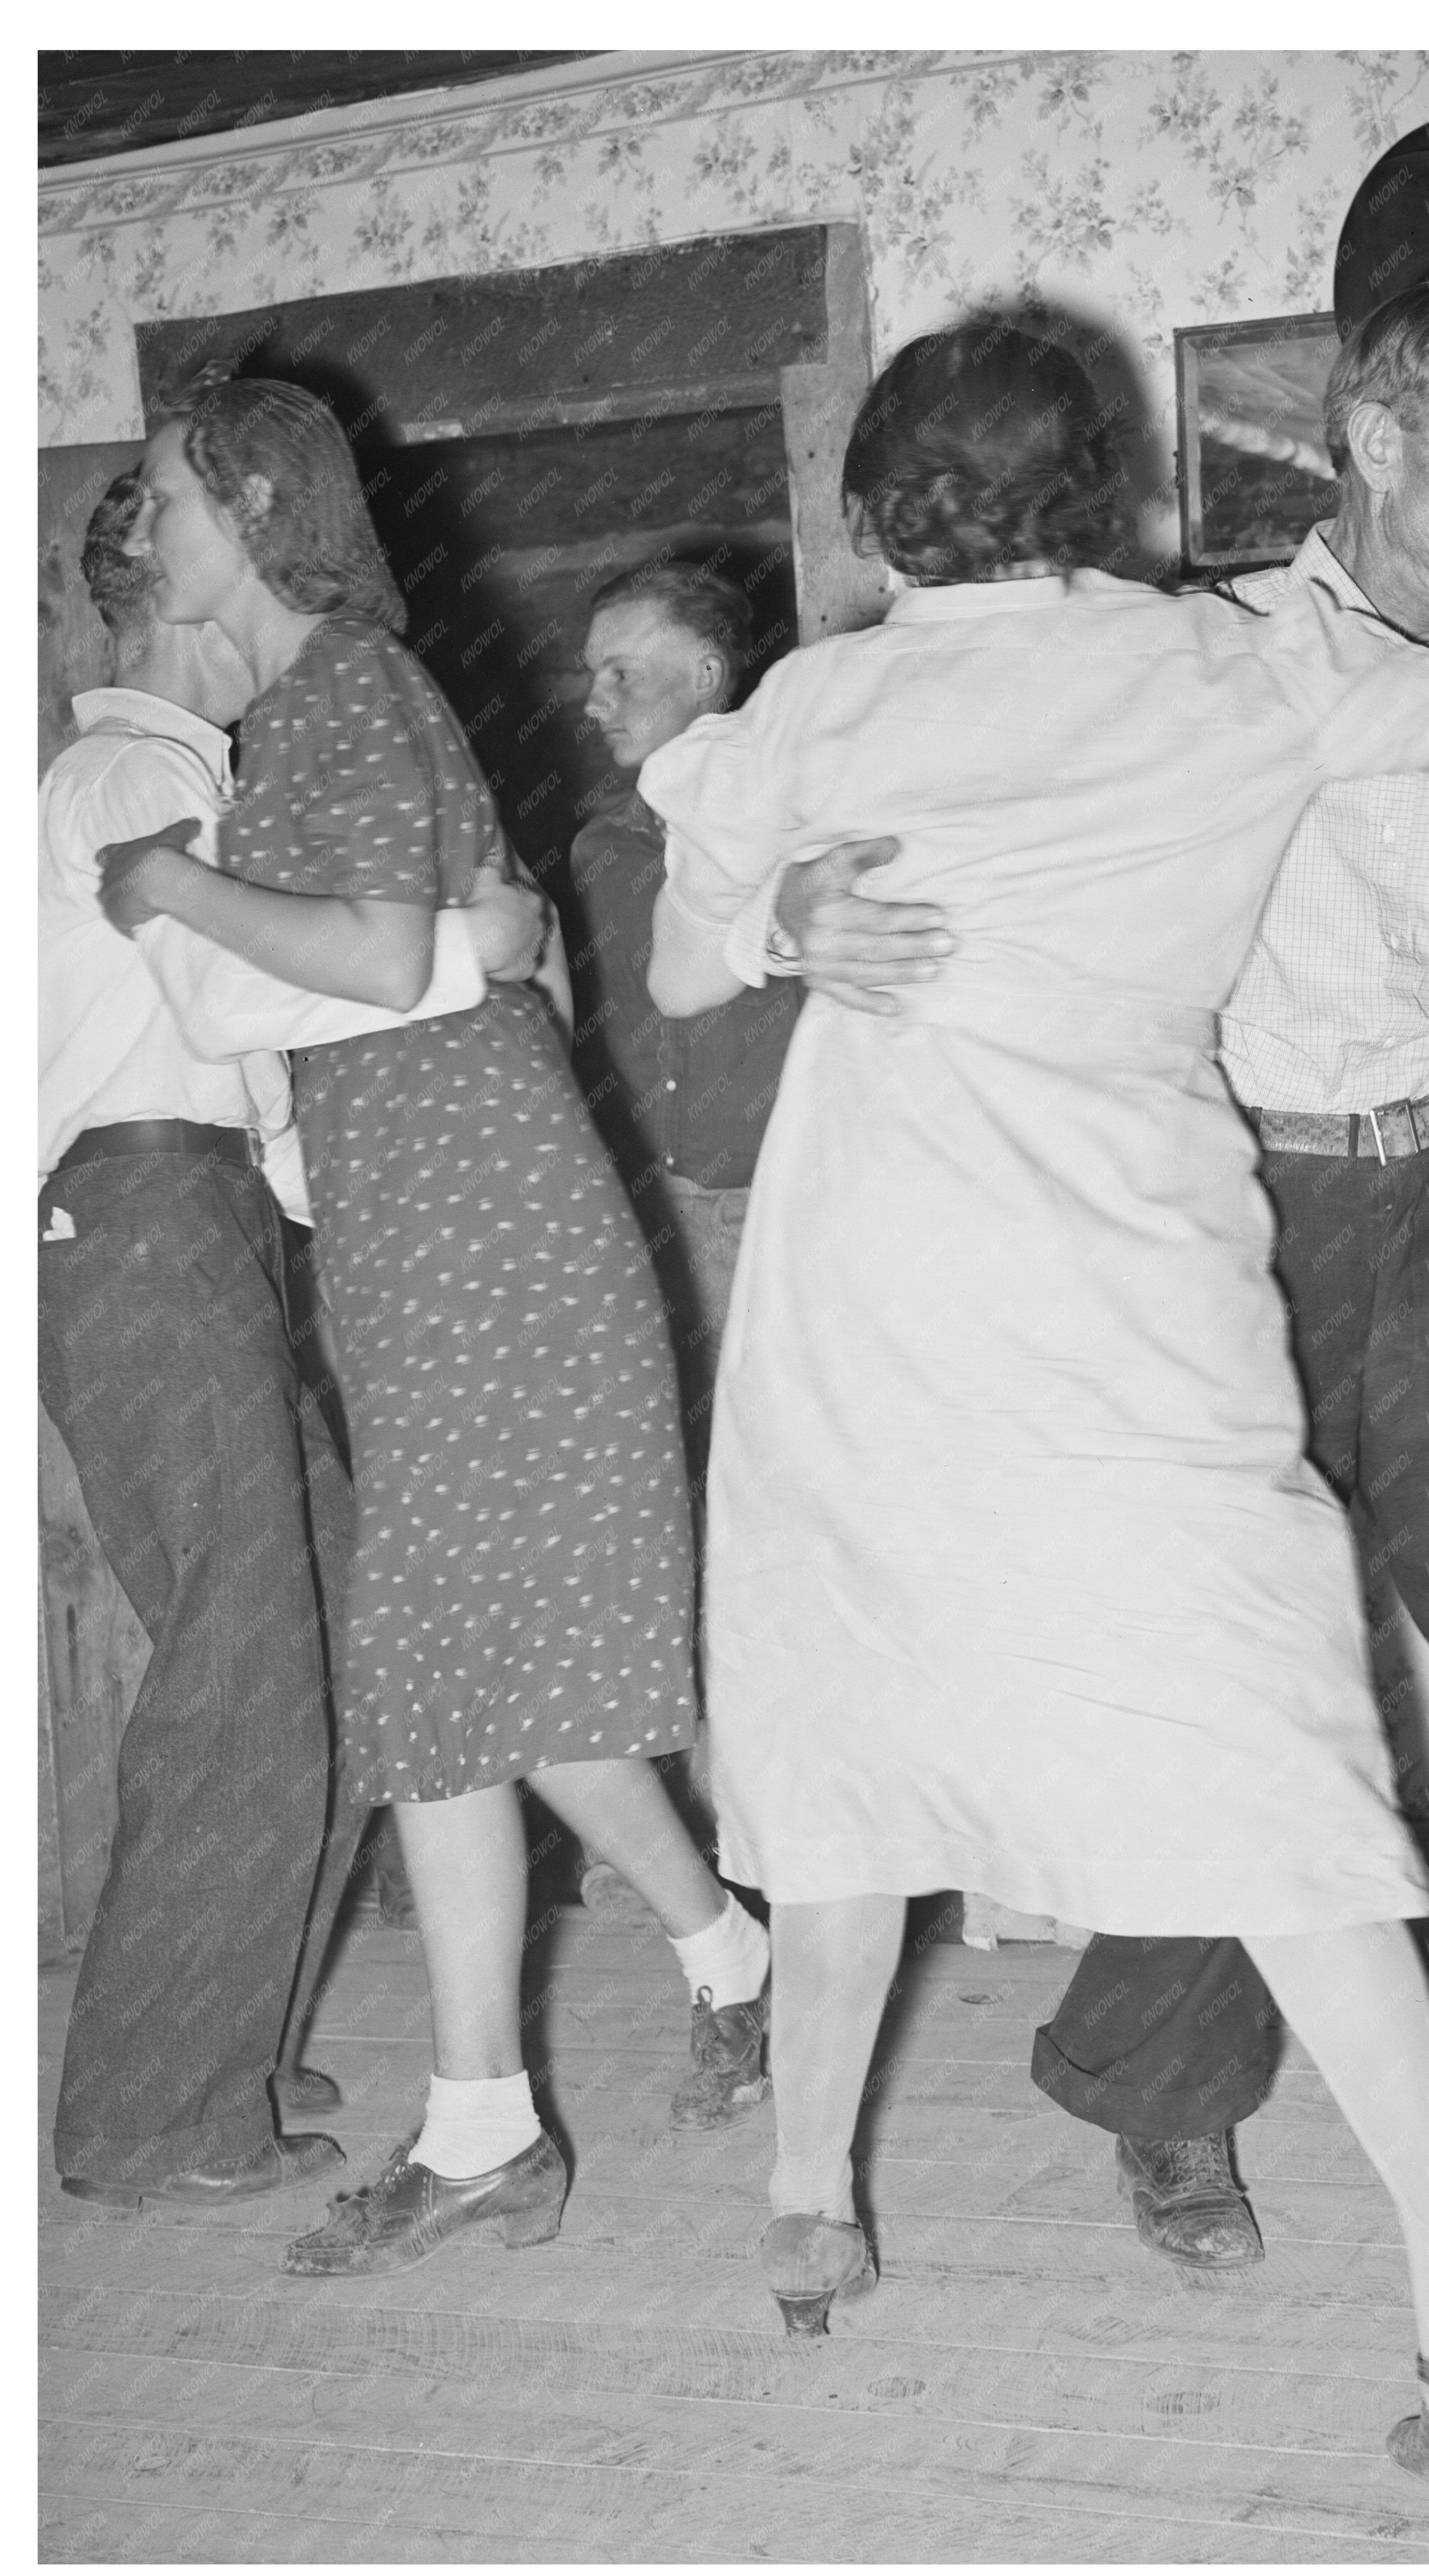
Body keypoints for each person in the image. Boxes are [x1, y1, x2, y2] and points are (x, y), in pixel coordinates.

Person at [637, 318, 1429, 2474]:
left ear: (889, 517)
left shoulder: (866, 701)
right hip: (1177, 1247)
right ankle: (1320, 2194)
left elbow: (679, 968)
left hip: (1150, 1246)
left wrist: (776, 922)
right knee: (1230, 1714)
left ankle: (825, 2201)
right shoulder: (1234, 664)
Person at [93, 377, 771, 2279]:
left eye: (161, 497)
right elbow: (439, 956)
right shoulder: (304, 717)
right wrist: (438, 948)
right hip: (428, 1239)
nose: (142, 534)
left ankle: (500, 2120)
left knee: (442, 1685)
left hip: (484, 1244)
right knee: (464, 1686)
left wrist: (170, 882)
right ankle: (691, 1986)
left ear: (247, 503)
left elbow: (389, 956)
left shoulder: (344, 690)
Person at [40, 472, 343, 2209]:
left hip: (189, 1215)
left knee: (334, 1605)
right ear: (165, 585)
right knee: (242, 1658)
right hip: (144, 1220)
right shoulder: (137, 778)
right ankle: (152, 2113)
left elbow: (253, 1078)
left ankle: (216, 2036)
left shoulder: (167, 777)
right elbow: (243, 1007)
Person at [564, 561, 797, 2061]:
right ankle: (716, 1888)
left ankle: (811, 1875)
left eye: (623, 675)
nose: (594, 701)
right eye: (591, 675)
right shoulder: (596, 844)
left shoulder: (790, 814)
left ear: (710, 681)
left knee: (791, 1546)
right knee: (681, 1552)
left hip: (790, 1217)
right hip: (652, 1224)